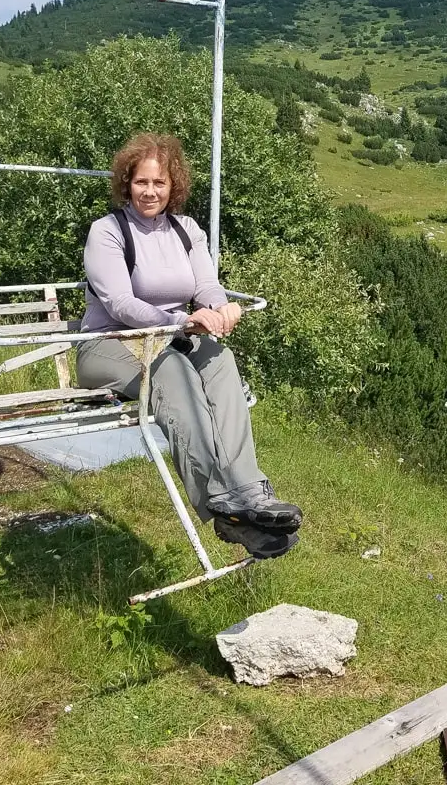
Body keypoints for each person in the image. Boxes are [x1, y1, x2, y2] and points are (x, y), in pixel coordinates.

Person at [76, 132, 302, 559]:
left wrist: (221, 308)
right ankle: (220, 504)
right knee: (174, 373)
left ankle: (249, 494)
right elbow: (120, 304)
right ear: (127, 183)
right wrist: (182, 320)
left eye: (159, 183)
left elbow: (206, 284)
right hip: (109, 345)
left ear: (172, 186)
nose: (150, 191)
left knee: (220, 360)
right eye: (141, 182)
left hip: (170, 339)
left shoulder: (186, 230)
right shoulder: (108, 232)